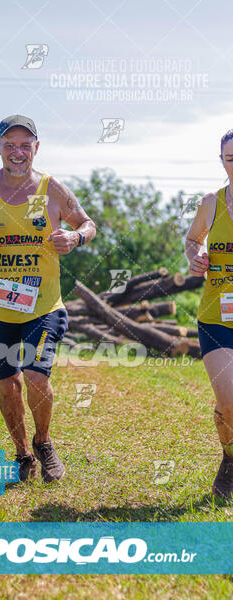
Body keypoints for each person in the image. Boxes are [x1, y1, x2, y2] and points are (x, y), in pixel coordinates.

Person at [0, 115, 96, 483]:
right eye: (9, 145)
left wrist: (75, 239)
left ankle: (44, 442)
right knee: (8, 384)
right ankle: (22, 453)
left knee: (34, 375)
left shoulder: (53, 190)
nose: (17, 152)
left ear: (36, 148)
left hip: (43, 305)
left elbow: (88, 224)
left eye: (24, 145)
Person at [186, 129, 233, 498]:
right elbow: (191, 241)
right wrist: (195, 259)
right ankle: (230, 459)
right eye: (231, 158)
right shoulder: (211, 204)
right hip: (216, 315)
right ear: (222, 162)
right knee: (228, 401)